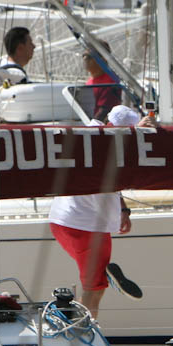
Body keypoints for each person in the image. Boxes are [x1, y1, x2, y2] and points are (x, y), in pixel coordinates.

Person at [49, 105, 143, 318]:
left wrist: (123, 209)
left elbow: (113, 184)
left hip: (60, 219)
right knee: (94, 288)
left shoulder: (86, 138)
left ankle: (102, 274)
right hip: (86, 226)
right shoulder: (109, 149)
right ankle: (83, 331)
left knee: (94, 281)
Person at [82, 39, 121, 122]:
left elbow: (104, 112)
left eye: (89, 57)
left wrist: (90, 126)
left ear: (103, 59)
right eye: (83, 55)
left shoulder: (110, 82)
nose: (85, 59)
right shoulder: (90, 81)